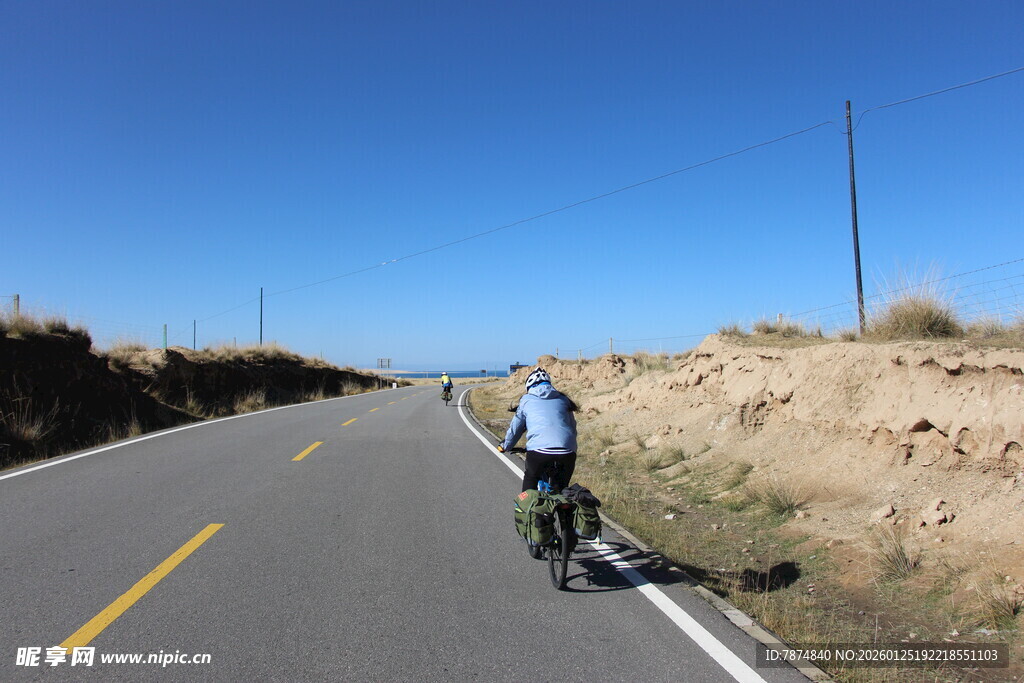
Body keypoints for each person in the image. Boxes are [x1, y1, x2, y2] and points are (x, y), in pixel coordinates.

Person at [497, 368, 578, 492]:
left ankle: (526, 509)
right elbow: (572, 429)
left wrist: (505, 446)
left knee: (530, 483)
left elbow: (516, 429)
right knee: (561, 491)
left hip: (539, 451)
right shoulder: (564, 400)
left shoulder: (526, 400)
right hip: (567, 451)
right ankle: (564, 509)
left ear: (529, 386)